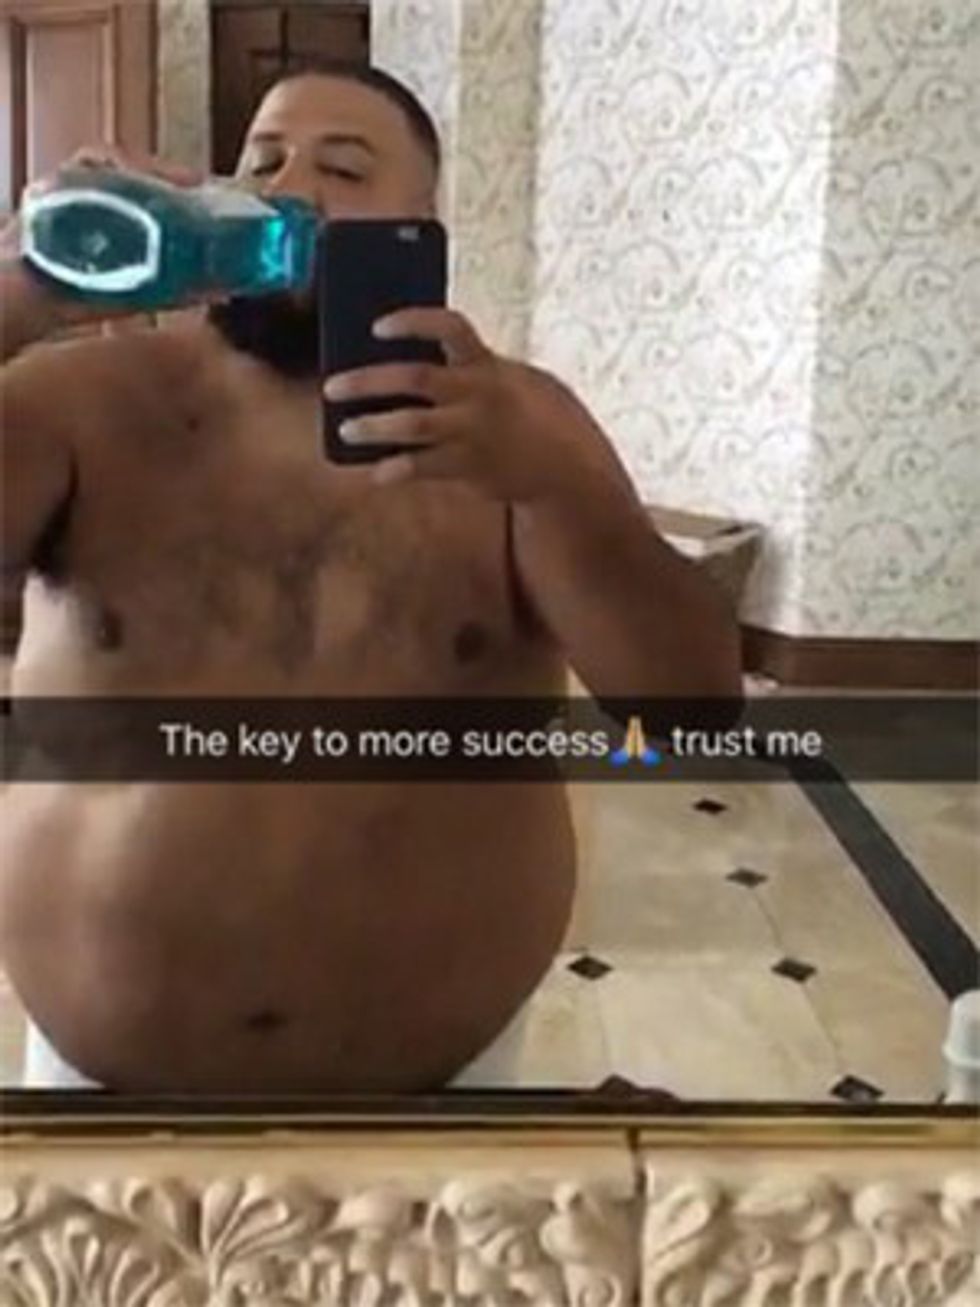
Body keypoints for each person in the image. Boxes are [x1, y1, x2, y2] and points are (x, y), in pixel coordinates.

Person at [0, 64, 741, 1092]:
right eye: (261, 162)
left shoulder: (518, 426)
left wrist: (561, 493)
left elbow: (690, 712)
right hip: (100, 1090)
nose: (289, 188)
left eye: (345, 168)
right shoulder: (77, 403)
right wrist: (20, 298)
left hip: (438, 1094)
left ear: (421, 231)